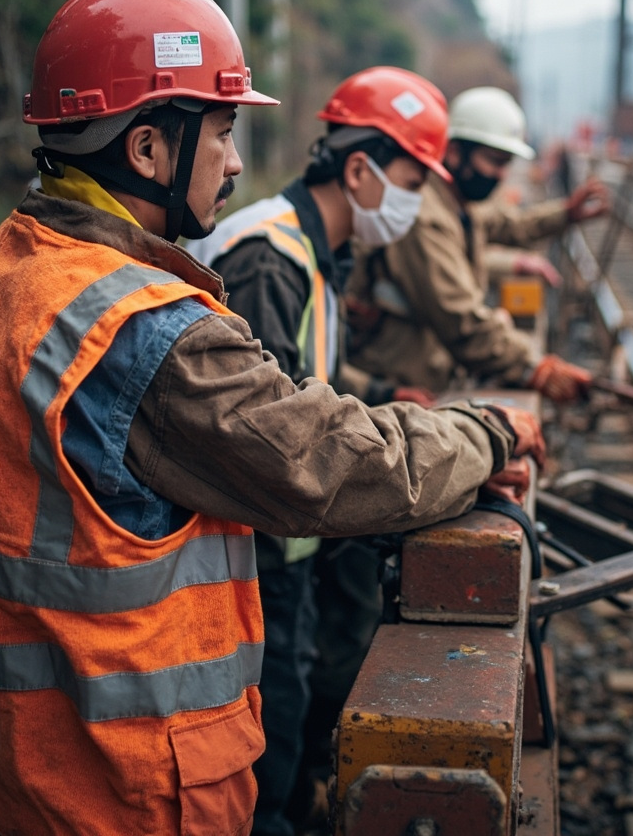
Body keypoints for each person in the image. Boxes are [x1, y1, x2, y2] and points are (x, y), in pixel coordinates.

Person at [0, 0, 544, 836]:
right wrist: (487, 433)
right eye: (223, 131)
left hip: (19, 769)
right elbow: (322, 463)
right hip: (129, 788)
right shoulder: (145, 332)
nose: (237, 162)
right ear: (147, 149)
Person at [187, 65, 449, 836]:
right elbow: (269, 438)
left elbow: (302, 374)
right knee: (271, 733)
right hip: (260, 551)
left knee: (294, 708)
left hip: (288, 544)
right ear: (361, 171)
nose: (415, 205)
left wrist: (384, 394)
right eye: (412, 184)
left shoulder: (310, 247)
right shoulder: (271, 256)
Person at [347, 85, 610, 402]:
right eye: (493, 161)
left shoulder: (458, 203)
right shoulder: (426, 218)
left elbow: (508, 223)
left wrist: (565, 214)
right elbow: (462, 322)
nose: (500, 174)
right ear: (455, 152)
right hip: (395, 389)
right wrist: (534, 367)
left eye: (506, 163)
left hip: (425, 376)